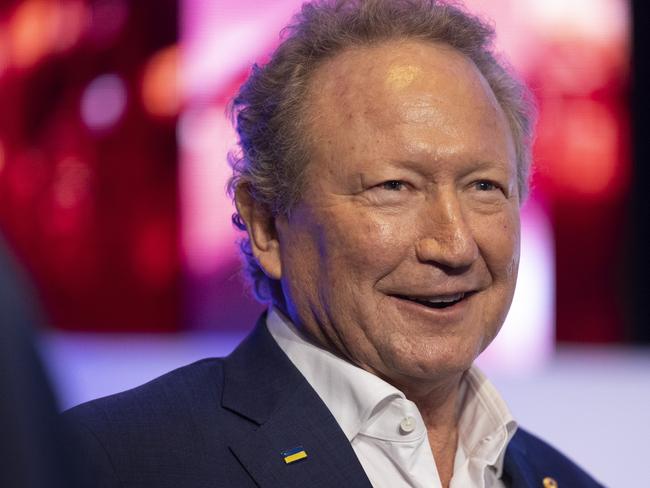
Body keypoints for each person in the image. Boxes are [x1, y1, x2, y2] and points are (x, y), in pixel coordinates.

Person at [65, 1, 603, 486]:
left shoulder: (565, 480)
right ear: (268, 225)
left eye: (484, 187)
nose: (455, 244)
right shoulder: (110, 463)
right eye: (395, 187)